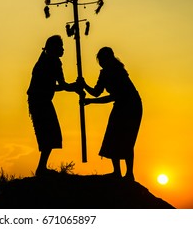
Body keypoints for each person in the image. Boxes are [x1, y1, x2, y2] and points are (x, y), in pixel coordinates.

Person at [80, 47, 142, 181]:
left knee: (127, 139)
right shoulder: (104, 74)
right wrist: (84, 85)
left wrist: (91, 101)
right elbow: (97, 91)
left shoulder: (118, 72)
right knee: (112, 136)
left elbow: (112, 97)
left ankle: (129, 174)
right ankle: (116, 172)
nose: (101, 62)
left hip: (132, 106)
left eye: (103, 59)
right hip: (120, 105)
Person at [27, 35, 79, 176]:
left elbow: (52, 86)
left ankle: (41, 168)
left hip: (39, 100)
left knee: (49, 134)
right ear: (54, 48)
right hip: (40, 101)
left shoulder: (44, 60)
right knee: (49, 134)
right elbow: (62, 85)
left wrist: (73, 86)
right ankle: (41, 169)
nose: (62, 49)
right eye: (60, 47)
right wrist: (75, 86)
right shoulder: (53, 62)